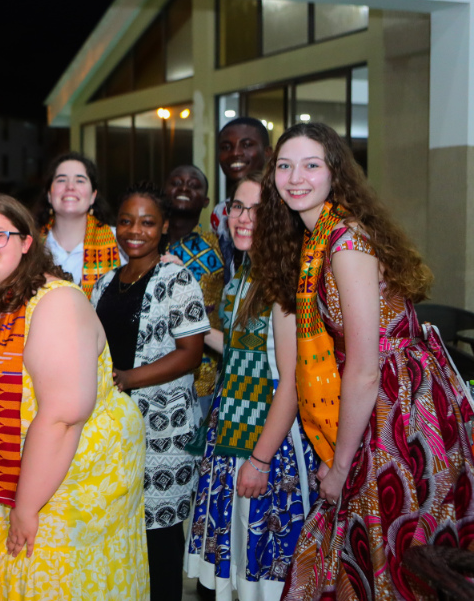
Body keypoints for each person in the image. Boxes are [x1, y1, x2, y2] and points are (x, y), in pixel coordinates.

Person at [247, 123, 474, 601]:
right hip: (385, 400)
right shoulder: (315, 240)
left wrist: (340, 465)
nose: (296, 177)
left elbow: (366, 366)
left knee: (388, 553)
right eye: (285, 166)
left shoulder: (346, 243)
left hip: (399, 412)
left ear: (335, 175)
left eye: (312, 165)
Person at [0, 194, 149, 599]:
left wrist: (26, 508)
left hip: (68, 478)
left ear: (27, 242)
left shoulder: (57, 302)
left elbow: (63, 418)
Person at [184, 172, 318, 601]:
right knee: (236, 575)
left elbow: (292, 382)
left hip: (269, 441)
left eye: (257, 210)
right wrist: (192, 312)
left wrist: (259, 462)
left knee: (262, 576)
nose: (243, 218)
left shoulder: (283, 285)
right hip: (236, 429)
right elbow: (245, 351)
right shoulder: (249, 273)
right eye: (238, 207)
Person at [89, 183, 208, 601]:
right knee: (121, 532)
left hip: (163, 432)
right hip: (113, 428)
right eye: (125, 221)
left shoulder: (179, 279)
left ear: (163, 229)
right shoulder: (103, 284)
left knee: (160, 541)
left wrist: (126, 378)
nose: (134, 230)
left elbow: (190, 354)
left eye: (146, 222)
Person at [164, 164, 225, 411]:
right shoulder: (144, 240)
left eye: (193, 185)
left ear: (206, 200)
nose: (184, 188)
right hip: (147, 370)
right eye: (176, 182)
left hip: (203, 378)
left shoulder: (220, 246)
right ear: (164, 191)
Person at [36, 152, 124, 298]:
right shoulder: (29, 245)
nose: (70, 186)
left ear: (93, 196)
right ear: (49, 195)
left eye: (80, 180)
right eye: (61, 180)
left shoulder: (120, 240)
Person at [211, 117, 271, 283]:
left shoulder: (284, 204)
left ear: (268, 153)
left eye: (246, 145)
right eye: (226, 147)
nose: (235, 153)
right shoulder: (220, 212)